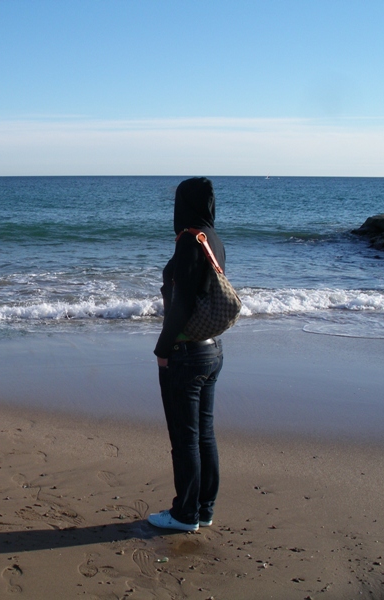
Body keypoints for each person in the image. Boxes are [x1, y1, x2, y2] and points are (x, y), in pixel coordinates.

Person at [148, 177, 225, 533]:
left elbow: (182, 306)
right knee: (203, 435)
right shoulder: (213, 239)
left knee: (184, 438)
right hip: (211, 349)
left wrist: (162, 349)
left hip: (186, 353)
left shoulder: (189, 242)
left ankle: (184, 514)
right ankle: (203, 509)